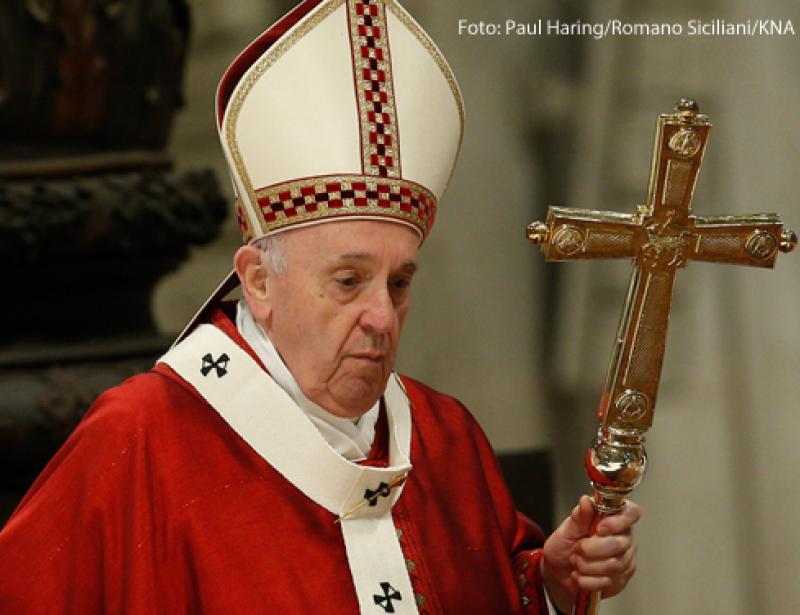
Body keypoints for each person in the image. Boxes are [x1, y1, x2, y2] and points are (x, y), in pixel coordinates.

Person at [0, 1, 639, 613]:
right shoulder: (139, 440)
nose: (382, 318)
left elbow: (495, 591)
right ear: (257, 280)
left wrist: (549, 584)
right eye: (347, 281)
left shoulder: (444, 438)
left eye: (398, 283)